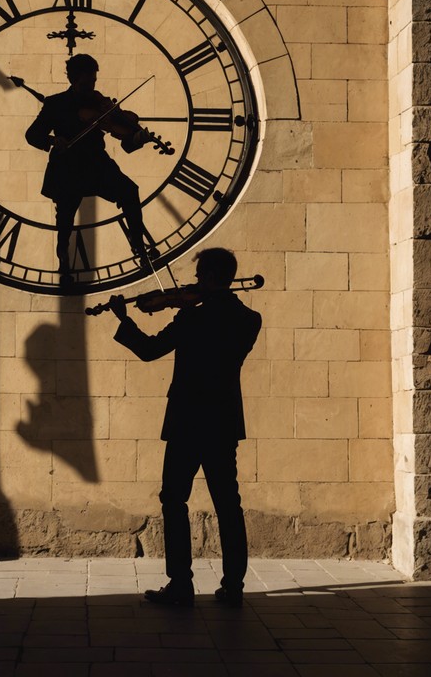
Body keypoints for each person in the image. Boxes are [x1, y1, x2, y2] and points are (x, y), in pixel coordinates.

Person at [108, 247, 262, 607]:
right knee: (228, 504)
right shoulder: (249, 320)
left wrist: (123, 318)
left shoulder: (192, 320)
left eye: (198, 277)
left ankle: (180, 583)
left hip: (187, 422)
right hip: (222, 422)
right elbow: (227, 321)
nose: (192, 284)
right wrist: (191, 304)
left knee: (174, 499)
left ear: (209, 277)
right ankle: (234, 587)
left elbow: (148, 350)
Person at [25, 54, 154, 283]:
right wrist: (54, 142)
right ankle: (63, 258)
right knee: (65, 217)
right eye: (86, 84)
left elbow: (125, 141)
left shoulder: (100, 103)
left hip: (96, 162)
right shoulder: (55, 104)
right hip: (67, 165)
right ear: (73, 80)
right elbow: (32, 135)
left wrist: (138, 138)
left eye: (94, 82)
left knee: (129, 191)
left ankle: (138, 245)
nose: (92, 88)